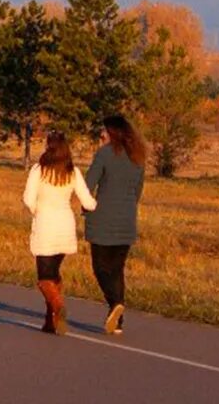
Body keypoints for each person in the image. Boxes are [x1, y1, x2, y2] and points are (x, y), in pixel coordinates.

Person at [24, 131, 97, 335]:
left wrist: (36, 210)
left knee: (44, 278)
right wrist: (98, 206)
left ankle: (57, 306)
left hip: (46, 225)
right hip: (65, 225)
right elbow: (88, 201)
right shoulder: (72, 172)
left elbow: (28, 199)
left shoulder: (39, 170)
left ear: (49, 147)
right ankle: (51, 321)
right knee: (54, 274)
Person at [85, 115, 146, 335]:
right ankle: (117, 320)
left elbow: (88, 185)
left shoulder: (103, 155)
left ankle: (115, 303)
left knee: (100, 268)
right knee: (117, 268)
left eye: (104, 130)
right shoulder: (138, 157)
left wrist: (86, 206)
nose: (101, 134)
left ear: (112, 133)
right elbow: (138, 190)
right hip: (127, 221)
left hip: (103, 220)